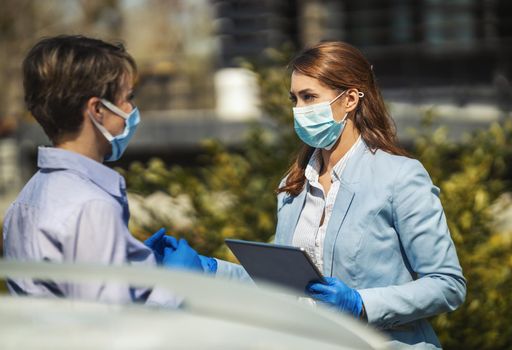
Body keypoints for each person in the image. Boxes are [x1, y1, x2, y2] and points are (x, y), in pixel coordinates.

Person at [165, 41, 467, 348]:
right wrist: (209, 270)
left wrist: (362, 304)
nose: (299, 110)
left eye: (309, 97)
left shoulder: (400, 176)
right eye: (294, 99)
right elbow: (282, 286)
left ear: (350, 99)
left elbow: (447, 285)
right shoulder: (292, 187)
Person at [2, 35, 187, 305]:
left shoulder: (27, 197)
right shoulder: (93, 207)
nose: (132, 109)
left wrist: (129, 265)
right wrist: (178, 286)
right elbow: (111, 332)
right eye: (128, 97)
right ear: (98, 109)